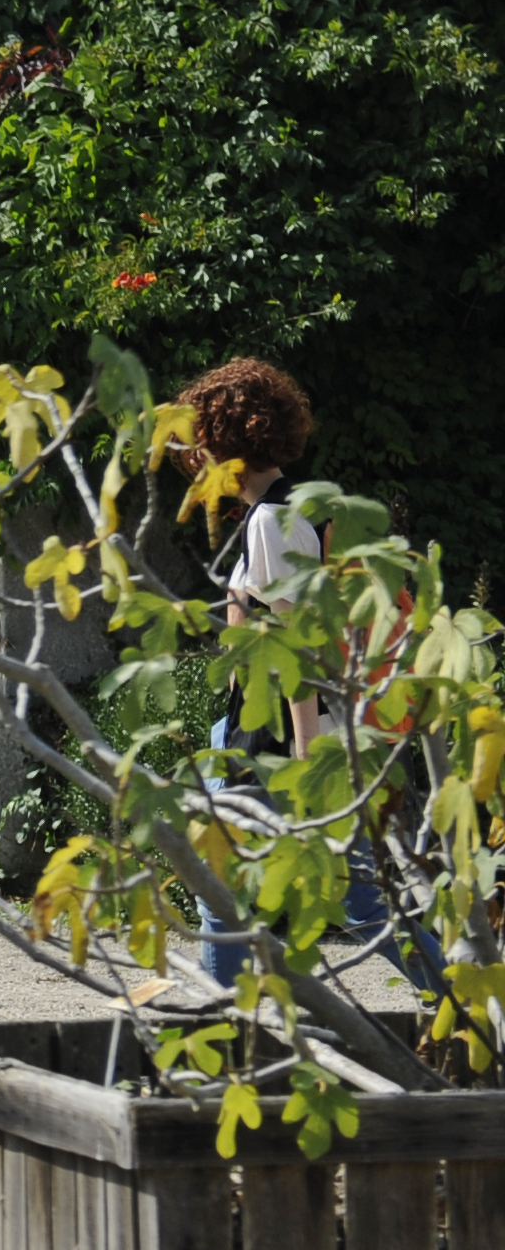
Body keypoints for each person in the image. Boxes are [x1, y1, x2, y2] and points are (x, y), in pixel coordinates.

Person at [177, 357, 435, 991]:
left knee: (281, 896)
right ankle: (474, 1009)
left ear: (223, 443)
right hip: (258, 733)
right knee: (324, 897)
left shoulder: (274, 519)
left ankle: (475, 1008)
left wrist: (309, 755)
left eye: (199, 442)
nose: (192, 460)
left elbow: (300, 648)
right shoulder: (297, 506)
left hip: (283, 742)